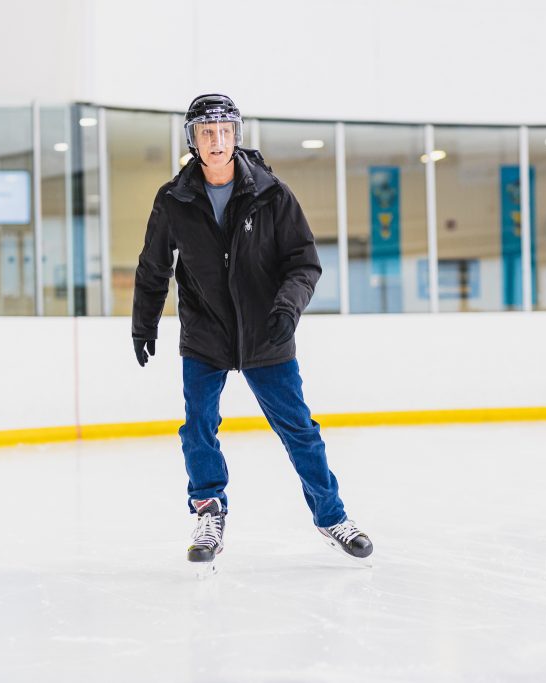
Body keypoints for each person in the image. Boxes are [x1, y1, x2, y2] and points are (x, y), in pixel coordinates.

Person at [131, 93, 372, 568]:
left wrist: (287, 309)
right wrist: (144, 322)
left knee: (300, 431)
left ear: (236, 136)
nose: (216, 141)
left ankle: (332, 516)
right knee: (198, 427)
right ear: (193, 140)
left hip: (267, 332)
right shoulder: (174, 199)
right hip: (204, 333)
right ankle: (208, 509)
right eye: (206, 132)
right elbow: (153, 267)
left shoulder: (272, 194)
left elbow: (304, 263)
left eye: (224, 131)